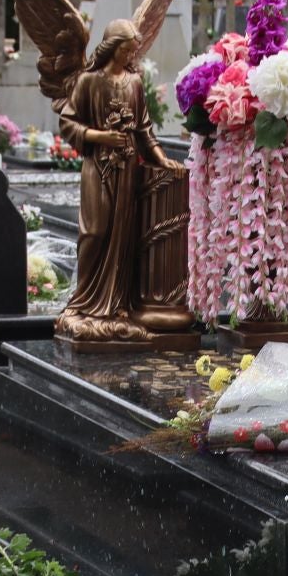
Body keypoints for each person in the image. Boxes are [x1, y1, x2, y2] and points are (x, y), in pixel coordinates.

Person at [56, 18, 187, 343]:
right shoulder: (88, 81)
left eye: (133, 51)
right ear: (112, 47)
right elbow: (68, 123)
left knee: (122, 236)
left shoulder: (134, 83)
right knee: (95, 231)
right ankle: (84, 301)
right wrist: (100, 136)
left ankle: (115, 305)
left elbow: (144, 130)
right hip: (97, 166)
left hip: (127, 169)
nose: (131, 56)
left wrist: (161, 158)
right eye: (126, 50)